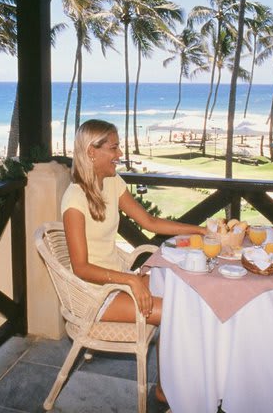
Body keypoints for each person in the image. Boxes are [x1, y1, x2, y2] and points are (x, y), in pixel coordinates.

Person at [61, 119, 206, 402]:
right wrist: (130, 279)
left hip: (118, 278)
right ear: (92, 151)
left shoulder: (113, 183)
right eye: (114, 148)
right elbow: (81, 267)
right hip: (95, 292)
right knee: (179, 311)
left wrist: (199, 229)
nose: (119, 154)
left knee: (185, 288)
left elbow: (149, 221)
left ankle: (181, 380)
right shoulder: (74, 200)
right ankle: (169, 390)